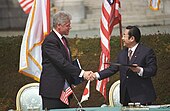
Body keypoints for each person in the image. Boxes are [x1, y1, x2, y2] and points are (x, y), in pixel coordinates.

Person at [91, 26, 157, 106]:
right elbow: (112, 69)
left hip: (142, 97)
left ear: (132, 38)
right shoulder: (122, 53)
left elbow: (153, 70)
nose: (122, 38)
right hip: (126, 97)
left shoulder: (146, 52)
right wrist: (96, 75)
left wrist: (139, 70)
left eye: (124, 36)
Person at [39, 11, 92, 110]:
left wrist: (72, 79)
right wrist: (82, 73)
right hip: (53, 91)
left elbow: (67, 62)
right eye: (67, 25)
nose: (70, 27)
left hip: (64, 88)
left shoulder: (63, 40)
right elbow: (61, 63)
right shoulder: (50, 41)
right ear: (59, 25)